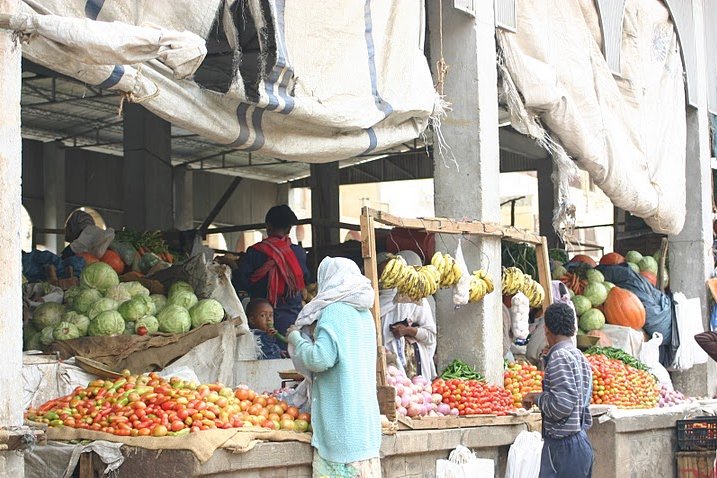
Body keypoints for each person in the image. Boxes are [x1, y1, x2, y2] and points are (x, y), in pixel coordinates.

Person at [287, 257, 381, 477]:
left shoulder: (333, 312)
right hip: (366, 431)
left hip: (342, 432)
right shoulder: (365, 313)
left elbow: (320, 359)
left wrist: (296, 339)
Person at [522, 302, 594, 478]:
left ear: (546, 329)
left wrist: (536, 398)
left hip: (564, 448)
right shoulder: (578, 356)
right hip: (579, 442)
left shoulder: (559, 357)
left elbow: (562, 406)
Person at [235, 205, 309, 347]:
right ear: (288, 229)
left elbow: (242, 282)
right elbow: (304, 280)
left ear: (268, 227)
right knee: (291, 359)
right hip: (292, 319)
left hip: (262, 320)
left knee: (265, 356)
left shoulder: (254, 252)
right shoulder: (298, 253)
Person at [378, 250, 437, 381]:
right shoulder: (372, 303)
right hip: (388, 368)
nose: (384, 278)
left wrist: (407, 330)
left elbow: (431, 335)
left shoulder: (414, 298)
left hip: (415, 368)